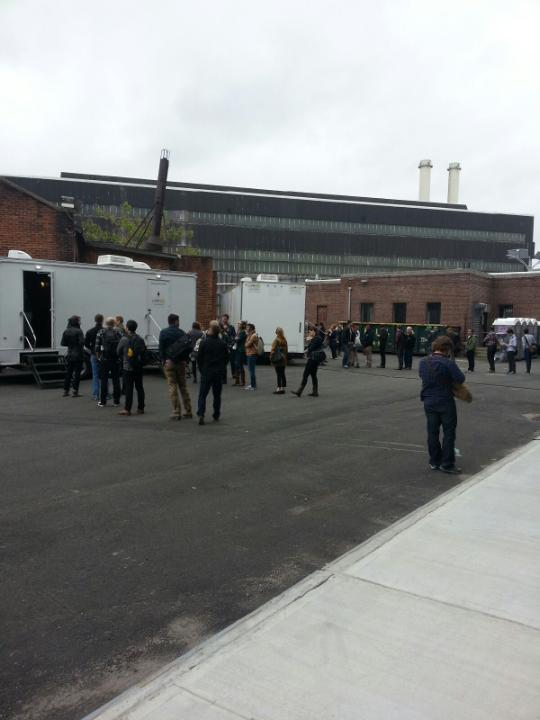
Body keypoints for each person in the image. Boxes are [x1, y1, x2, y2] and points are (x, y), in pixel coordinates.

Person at [418, 335, 466, 474]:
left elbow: (422, 376)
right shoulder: (448, 363)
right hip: (445, 401)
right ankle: (447, 463)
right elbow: (460, 379)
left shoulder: (423, 362)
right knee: (449, 433)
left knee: (432, 432)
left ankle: (434, 461)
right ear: (448, 349)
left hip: (428, 401)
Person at [159, 313, 193, 420]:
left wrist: (164, 360)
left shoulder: (163, 332)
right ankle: (188, 410)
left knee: (172, 386)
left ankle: (176, 411)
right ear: (176, 321)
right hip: (180, 363)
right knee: (183, 386)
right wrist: (185, 361)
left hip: (169, 363)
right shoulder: (181, 332)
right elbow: (187, 348)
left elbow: (161, 349)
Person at [197, 320, 229, 425]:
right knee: (217, 395)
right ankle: (216, 413)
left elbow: (199, 358)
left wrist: (201, 369)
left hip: (206, 371)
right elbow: (226, 359)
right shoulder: (222, 343)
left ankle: (201, 413)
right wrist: (222, 368)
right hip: (218, 372)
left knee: (202, 394)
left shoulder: (204, 342)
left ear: (211, 330)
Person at [117, 320, 146, 416]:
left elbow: (118, 352)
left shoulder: (124, 339)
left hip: (127, 367)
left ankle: (127, 409)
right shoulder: (140, 339)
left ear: (127, 328)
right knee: (139, 387)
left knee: (129, 389)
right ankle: (141, 408)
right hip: (138, 367)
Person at [95, 317, 122, 407]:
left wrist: (99, 357)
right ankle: (116, 401)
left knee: (104, 380)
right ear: (114, 323)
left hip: (104, 359)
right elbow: (122, 345)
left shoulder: (101, 332)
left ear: (106, 324)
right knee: (116, 380)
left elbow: (97, 347)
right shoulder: (118, 332)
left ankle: (103, 401)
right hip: (115, 359)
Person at [292, 328, 324, 397]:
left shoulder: (317, 338)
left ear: (314, 332)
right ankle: (315, 392)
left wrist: (305, 350)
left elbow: (311, 348)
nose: (309, 333)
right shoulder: (315, 338)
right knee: (313, 375)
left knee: (306, 373)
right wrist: (303, 351)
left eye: (310, 332)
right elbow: (309, 348)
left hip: (313, 359)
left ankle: (299, 391)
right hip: (314, 359)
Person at [61, 315, 85, 397]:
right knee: (77, 373)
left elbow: (63, 343)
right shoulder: (79, 331)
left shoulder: (66, 331)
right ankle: (75, 391)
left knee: (68, 373)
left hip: (70, 354)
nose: (80, 322)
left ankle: (66, 390)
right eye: (79, 320)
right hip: (78, 354)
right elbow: (82, 342)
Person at [84, 313, 104, 400]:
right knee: (104, 374)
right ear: (102, 320)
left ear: (95, 320)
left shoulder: (89, 331)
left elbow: (86, 344)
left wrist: (92, 349)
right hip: (103, 354)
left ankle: (96, 394)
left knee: (95, 375)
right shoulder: (105, 330)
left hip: (94, 354)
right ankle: (105, 394)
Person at [270, 327, 288, 394]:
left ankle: (278, 388)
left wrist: (271, 358)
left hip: (277, 359)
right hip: (283, 359)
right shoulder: (284, 340)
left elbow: (273, 350)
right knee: (282, 373)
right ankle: (283, 388)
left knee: (278, 374)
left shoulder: (276, 340)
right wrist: (285, 359)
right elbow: (286, 351)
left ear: (277, 333)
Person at [220, 314, 236, 384]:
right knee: (223, 363)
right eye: (223, 318)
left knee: (232, 361)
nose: (224, 320)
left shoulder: (231, 327)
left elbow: (234, 336)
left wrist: (231, 344)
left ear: (227, 319)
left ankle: (234, 374)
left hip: (229, 346)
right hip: (221, 347)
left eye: (225, 318)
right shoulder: (218, 326)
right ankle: (223, 378)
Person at [244, 323, 259, 390]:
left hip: (252, 354)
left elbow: (247, 345)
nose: (246, 328)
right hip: (249, 354)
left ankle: (253, 386)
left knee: (252, 371)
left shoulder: (253, 336)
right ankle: (252, 384)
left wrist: (246, 343)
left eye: (247, 327)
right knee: (250, 370)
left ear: (251, 328)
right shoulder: (250, 335)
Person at [234, 321, 247, 386]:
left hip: (241, 351)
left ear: (242, 325)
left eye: (239, 324)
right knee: (237, 365)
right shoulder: (239, 331)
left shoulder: (243, 332)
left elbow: (237, 339)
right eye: (238, 323)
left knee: (240, 365)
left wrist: (236, 338)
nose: (238, 325)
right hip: (238, 350)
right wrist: (236, 338)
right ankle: (237, 381)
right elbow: (236, 338)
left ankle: (243, 381)